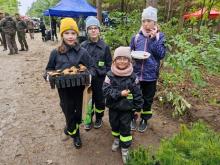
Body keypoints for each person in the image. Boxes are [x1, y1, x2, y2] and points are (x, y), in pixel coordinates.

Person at [44, 18, 95, 149]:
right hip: (64, 91)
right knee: (68, 112)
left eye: (73, 33)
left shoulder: (82, 52)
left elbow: (92, 67)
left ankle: (71, 127)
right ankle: (75, 134)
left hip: (80, 90)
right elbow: (48, 69)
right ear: (62, 35)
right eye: (67, 33)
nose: (70, 36)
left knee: (79, 114)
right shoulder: (55, 53)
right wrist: (48, 77)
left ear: (77, 34)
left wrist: (89, 74)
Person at [103, 46, 143, 164]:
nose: (122, 61)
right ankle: (116, 139)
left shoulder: (132, 77)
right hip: (113, 108)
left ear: (129, 61)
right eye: (119, 58)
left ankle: (125, 148)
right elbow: (105, 90)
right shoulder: (109, 75)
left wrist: (138, 108)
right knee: (114, 125)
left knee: (125, 128)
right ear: (114, 60)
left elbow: (137, 93)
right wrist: (120, 93)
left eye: (125, 58)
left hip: (127, 109)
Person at [129, 6, 166, 132]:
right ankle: (133, 117)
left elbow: (161, 55)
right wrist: (131, 56)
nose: (146, 24)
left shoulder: (160, 37)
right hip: (136, 74)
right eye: (144, 21)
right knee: (134, 97)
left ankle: (144, 119)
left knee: (147, 99)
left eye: (149, 21)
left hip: (151, 75)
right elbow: (130, 53)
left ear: (154, 22)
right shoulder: (136, 37)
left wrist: (153, 39)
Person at [81, 16, 112, 130]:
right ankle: (88, 119)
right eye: (90, 28)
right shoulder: (83, 46)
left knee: (100, 101)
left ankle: (99, 117)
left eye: (95, 28)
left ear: (99, 30)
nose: (93, 30)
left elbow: (109, 65)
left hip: (100, 80)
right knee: (88, 100)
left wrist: (105, 76)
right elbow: (79, 64)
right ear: (87, 31)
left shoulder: (105, 47)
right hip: (87, 81)